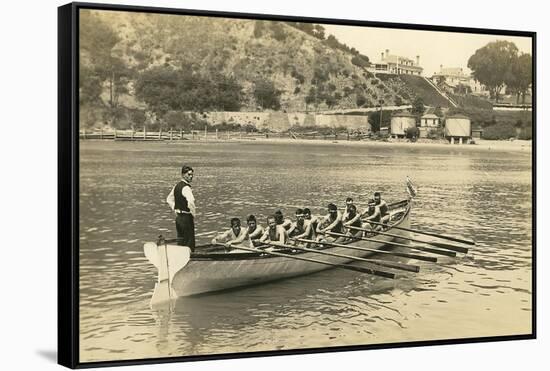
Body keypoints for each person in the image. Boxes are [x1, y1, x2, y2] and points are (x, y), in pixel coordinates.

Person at [166, 165, 196, 251]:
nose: (191, 177)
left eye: (192, 175)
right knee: (189, 242)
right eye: (189, 174)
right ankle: (190, 258)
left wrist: (175, 210)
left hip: (178, 218)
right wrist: (193, 214)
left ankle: (181, 259)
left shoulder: (176, 186)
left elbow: (169, 199)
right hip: (186, 218)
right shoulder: (186, 188)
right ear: (183, 175)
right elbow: (191, 201)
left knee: (181, 240)